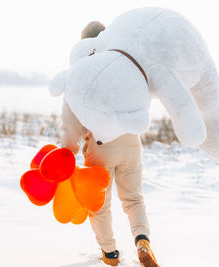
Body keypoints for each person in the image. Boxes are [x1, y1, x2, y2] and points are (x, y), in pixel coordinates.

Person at [60, 21, 159, 267]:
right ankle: (142, 241)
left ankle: (110, 254)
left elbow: (70, 123)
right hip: (130, 142)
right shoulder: (123, 66)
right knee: (134, 199)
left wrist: (68, 152)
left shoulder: (80, 73)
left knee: (99, 205)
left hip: (100, 145)